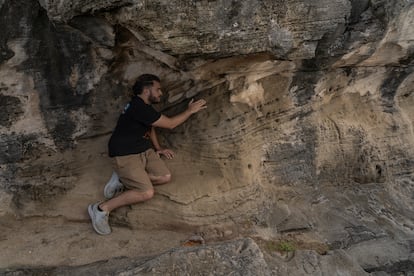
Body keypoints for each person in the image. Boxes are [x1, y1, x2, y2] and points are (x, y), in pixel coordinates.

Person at [88, 74, 207, 235]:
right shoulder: (139, 107)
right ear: (146, 90)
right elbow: (171, 124)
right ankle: (101, 209)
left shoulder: (144, 107)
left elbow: (150, 127)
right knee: (146, 192)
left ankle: (124, 178)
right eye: (158, 89)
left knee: (164, 177)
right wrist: (190, 111)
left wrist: (159, 148)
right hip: (125, 154)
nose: (160, 93)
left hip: (143, 149)